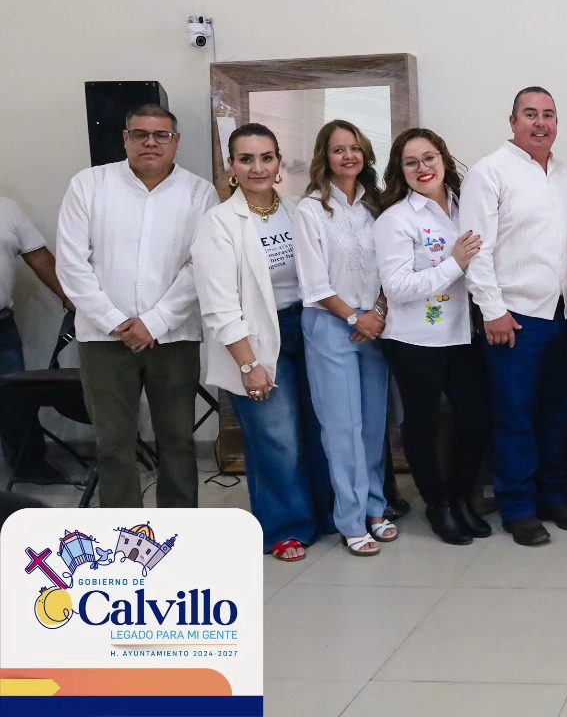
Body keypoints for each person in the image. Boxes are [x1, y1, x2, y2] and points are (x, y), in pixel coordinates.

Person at [55, 104, 217, 507]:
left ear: (176, 142)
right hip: (103, 339)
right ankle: (124, 531)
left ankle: (179, 530)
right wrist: (116, 322)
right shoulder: (89, 185)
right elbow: (71, 264)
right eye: (140, 134)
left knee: (177, 440)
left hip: (174, 337)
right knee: (113, 444)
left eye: (162, 135)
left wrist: (154, 322)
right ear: (125, 139)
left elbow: (201, 267)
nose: (151, 142)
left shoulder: (199, 193)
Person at [192, 124, 334, 559]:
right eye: (246, 159)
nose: (258, 167)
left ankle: (325, 514)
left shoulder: (297, 209)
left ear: (278, 162)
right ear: (231, 166)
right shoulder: (219, 223)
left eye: (266, 157)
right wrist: (248, 364)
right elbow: (218, 305)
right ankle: (284, 528)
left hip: (308, 328)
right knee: (277, 437)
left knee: (320, 428)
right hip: (255, 338)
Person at [460, 87, 567, 547]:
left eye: (548, 115)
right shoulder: (489, 172)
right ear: (512, 121)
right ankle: (518, 507)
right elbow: (476, 249)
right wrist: (492, 311)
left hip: (566, 314)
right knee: (515, 416)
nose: (540, 123)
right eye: (530, 114)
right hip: (515, 318)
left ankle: (553, 496)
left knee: (558, 413)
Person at [375, 129, 489, 545]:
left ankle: (460, 496)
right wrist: (455, 263)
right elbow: (397, 286)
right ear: (400, 170)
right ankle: (437, 503)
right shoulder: (396, 219)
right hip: (414, 340)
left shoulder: (466, 207)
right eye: (411, 162)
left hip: (462, 333)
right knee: (422, 423)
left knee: (475, 418)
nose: (422, 168)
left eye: (429, 158)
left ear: (443, 158)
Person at [294, 119, 397, 552]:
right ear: (325, 157)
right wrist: (356, 319)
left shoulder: (377, 207)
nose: (348, 156)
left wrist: (377, 314)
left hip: (375, 325)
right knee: (343, 427)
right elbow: (314, 283)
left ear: (365, 153)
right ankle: (351, 520)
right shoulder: (310, 210)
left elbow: (392, 266)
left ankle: (376, 507)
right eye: (338, 149)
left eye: (354, 148)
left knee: (373, 424)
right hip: (331, 324)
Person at [0, 193, 72, 481]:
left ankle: (29, 464)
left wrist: (68, 297)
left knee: (14, 398)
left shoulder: (7, 208)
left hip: (1, 325)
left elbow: (38, 256)